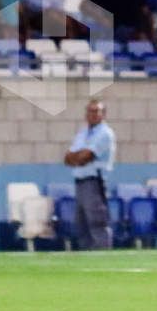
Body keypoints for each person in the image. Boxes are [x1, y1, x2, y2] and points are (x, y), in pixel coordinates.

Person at [64, 99, 116, 250]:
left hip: (94, 181)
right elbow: (68, 158)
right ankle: (86, 255)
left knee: (97, 221)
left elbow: (85, 157)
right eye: (90, 111)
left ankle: (102, 253)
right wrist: (77, 156)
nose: (92, 115)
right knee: (82, 223)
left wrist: (78, 156)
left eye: (96, 111)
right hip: (80, 181)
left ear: (103, 114)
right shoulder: (83, 133)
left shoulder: (105, 133)